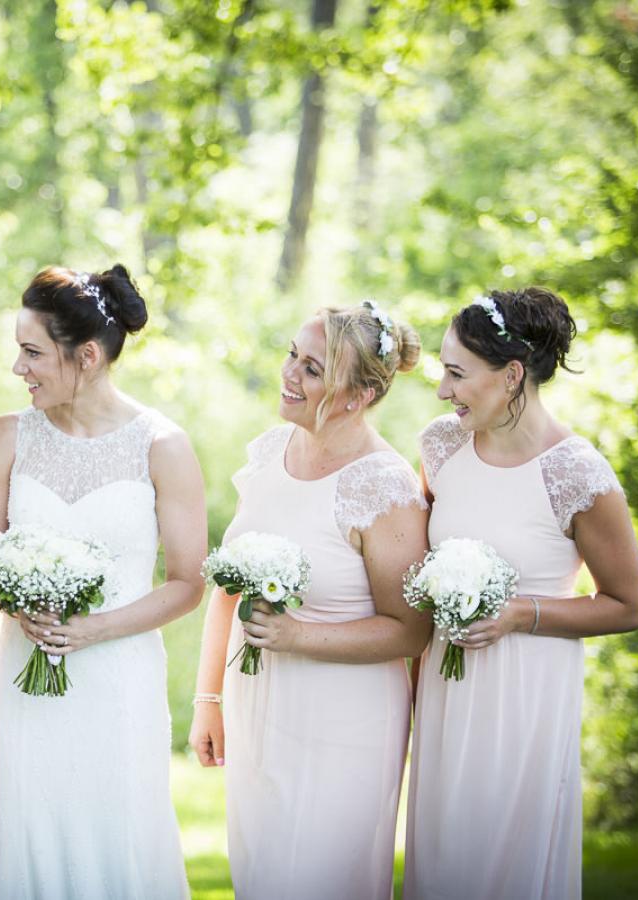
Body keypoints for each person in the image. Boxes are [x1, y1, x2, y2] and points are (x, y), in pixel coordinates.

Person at [404, 287, 638, 900]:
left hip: (527, 695)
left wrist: (521, 614)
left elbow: (626, 605)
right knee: (444, 852)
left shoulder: (577, 472)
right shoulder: (441, 445)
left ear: (511, 376)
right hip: (447, 687)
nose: (442, 390)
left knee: (507, 859)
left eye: (456, 374)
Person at [0, 265, 206, 900]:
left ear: (88, 356)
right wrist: (17, 607)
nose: (18, 369)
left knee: (120, 831)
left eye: (31, 352)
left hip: (118, 680)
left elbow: (188, 581)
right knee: (32, 828)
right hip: (28, 681)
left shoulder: (161, 445)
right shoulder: (8, 437)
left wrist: (94, 629)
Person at [189, 301, 431, 899]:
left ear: (357, 396)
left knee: (319, 880)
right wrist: (208, 699)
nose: (290, 374)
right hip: (258, 706)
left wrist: (299, 637)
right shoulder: (269, 453)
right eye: (293, 356)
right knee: (261, 876)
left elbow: (410, 630)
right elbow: (228, 587)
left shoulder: (384, 484)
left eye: (313, 368)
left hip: (345, 721)